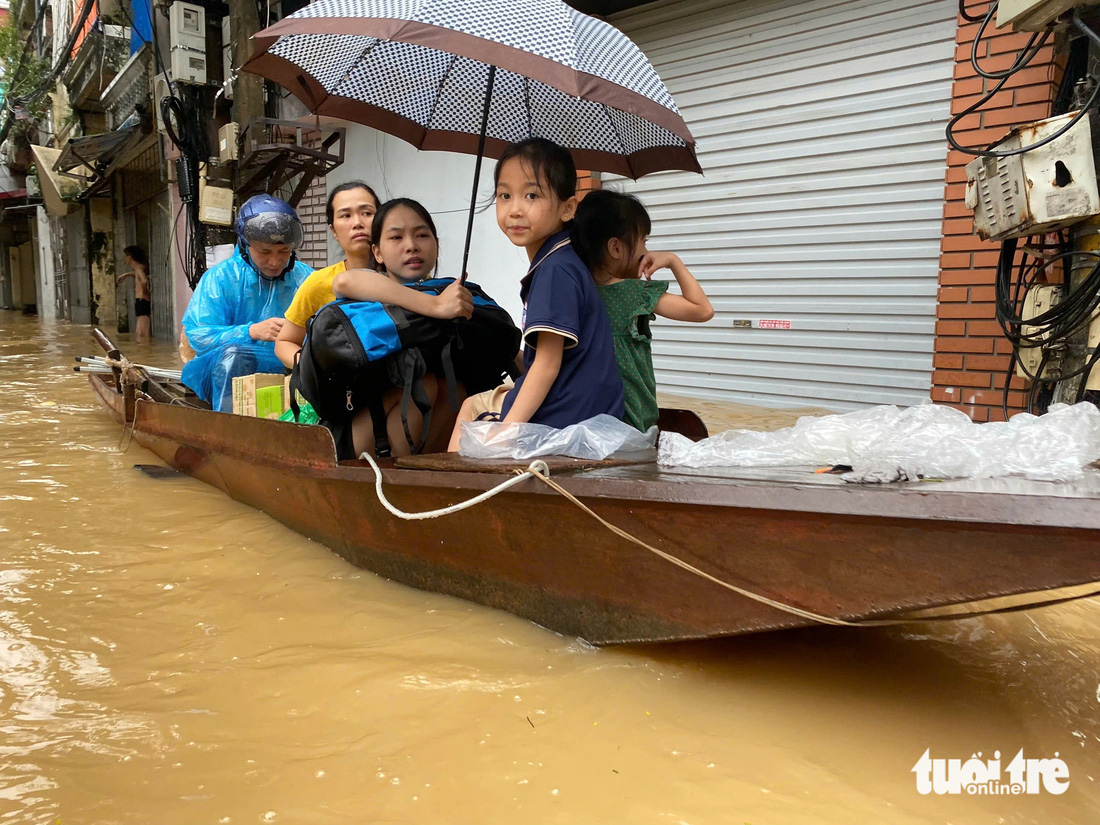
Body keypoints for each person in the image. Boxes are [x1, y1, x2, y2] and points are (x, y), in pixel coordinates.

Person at [447, 138, 623, 451]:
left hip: (566, 418)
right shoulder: (563, 259)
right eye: (505, 195)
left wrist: (509, 431)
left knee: (471, 411)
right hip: (587, 408)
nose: (515, 209)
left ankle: (459, 495)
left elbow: (547, 364)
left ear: (568, 208)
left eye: (531, 195)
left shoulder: (554, 270)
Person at [330, 198, 474, 457]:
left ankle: (424, 476)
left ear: (437, 246)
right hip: (352, 442)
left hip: (429, 449)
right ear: (377, 253)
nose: (411, 246)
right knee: (424, 384)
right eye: (396, 238)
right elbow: (343, 281)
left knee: (456, 387)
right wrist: (435, 306)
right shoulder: (370, 290)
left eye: (421, 235)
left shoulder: (451, 291)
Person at [572, 190, 714, 432]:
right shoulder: (634, 294)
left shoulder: (573, 292)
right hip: (633, 422)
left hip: (586, 421)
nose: (646, 251)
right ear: (616, 248)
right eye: (643, 241)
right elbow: (702, 310)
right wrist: (672, 260)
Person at [180, 194, 312, 412]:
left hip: (288, 365)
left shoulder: (304, 277)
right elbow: (199, 335)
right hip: (226, 370)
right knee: (235, 356)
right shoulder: (221, 278)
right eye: (265, 252)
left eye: (284, 252)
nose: (275, 261)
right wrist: (250, 331)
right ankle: (230, 425)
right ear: (245, 245)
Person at [275, 181, 381, 369]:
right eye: (346, 215)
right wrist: (315, 371)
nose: (357, 223)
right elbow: (284, 343)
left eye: (367, 213)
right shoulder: (319, 283)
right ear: (333, 230)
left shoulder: (403, 276)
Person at [116, 245, 151, 342]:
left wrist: (144, 293)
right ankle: (144, 351)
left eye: (125, 256)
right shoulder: (139, 269)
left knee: (143, 332)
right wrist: (127, 274)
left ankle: (145, 351)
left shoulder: (138, 269)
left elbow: (144, 281)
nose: (125, 259)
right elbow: (139, 274)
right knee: (139, 331)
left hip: (142, 300)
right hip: (141, 301)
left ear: (130, 257)